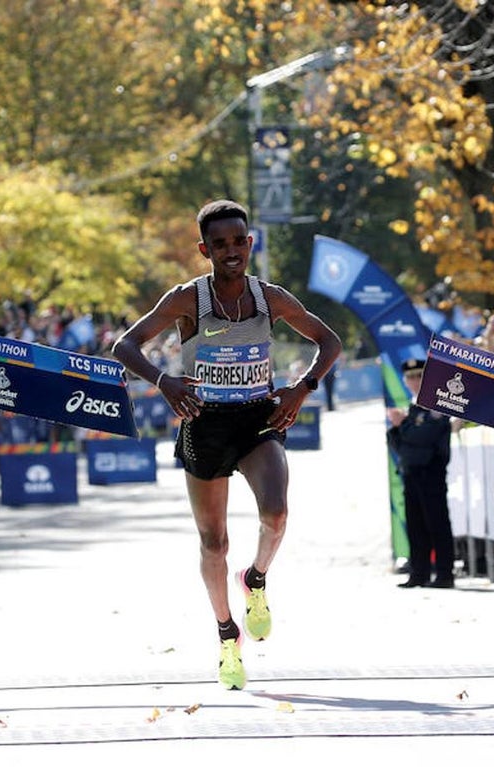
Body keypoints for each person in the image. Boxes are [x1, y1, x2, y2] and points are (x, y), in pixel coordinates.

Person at [111, 200, 341, 690]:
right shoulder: (186, 300)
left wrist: (303, 388)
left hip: (258, 418)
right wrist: (163, 381)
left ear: (249, 242)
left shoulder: (269, 298)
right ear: (205, 250)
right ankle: (226, 635)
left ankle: (256, 579)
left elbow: (329, 341)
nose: (231, 251)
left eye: (239, 241)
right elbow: (125, 346)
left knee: (276, 514)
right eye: (220, 244)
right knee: (214, 542)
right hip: (204, 423)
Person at [386, 358, 454, 589]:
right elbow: (398, 444)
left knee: (437, 523)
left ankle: (444, 573)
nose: (415, 381)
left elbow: (423, 437)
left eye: (419, 376)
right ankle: (419, 572)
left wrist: (403, 425)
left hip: (430, 471)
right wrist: (398, 427)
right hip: (411, 471)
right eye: (410, 377)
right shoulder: (413, 407)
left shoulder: (436, 405)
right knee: (415, 525)